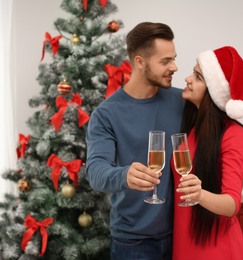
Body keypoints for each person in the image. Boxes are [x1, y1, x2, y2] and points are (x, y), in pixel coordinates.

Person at [85, 22, 185, 260]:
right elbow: (96, 171)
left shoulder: (182, 101)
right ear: (140, 62)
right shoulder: (107, 113)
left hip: (182, 236)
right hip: (133, 243)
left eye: (174, 58)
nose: (174, 67)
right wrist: (125, 176)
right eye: (165, 61)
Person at [172, 46, 243, 259]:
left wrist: (199, 195)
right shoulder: (191, 128)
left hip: (217, 248)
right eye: (193, 72)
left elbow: (232, 205)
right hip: (184, 244)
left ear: (213, 91)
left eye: (198, 77)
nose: (188, 79)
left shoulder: (233, 134)